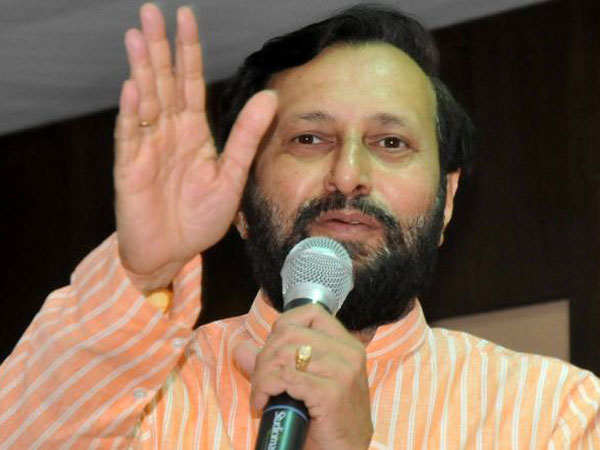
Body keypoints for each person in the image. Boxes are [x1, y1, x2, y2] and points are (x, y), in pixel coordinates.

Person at [0, 3, 598, 449]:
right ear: (240, 200)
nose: (348, 175)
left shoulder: (556, 414)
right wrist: (142, 273)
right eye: (309, 139)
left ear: (447, 201)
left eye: (390, 143)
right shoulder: (143, 398)